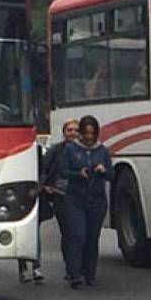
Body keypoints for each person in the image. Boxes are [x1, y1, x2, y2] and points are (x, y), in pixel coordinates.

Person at [21, 118, 81, 284]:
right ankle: (32, 267)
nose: (73, 133)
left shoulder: (83, 151)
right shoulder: (56, 150)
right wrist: (44, 187)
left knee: (69, 233)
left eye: (76, 130)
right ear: (64, 132)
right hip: (51, 194)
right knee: (33, 231)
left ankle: (72, 269)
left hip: (71, 196)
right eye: (70, 130)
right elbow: (44, 170)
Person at [58, 115, 114, 288]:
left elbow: (112, 175)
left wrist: (103, 170)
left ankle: (89, 273)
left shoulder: (102, 151)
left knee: (92, 238)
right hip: (75, 198)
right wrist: (78, 173)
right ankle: (74, 274)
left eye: (92, 134)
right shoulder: (71, 150)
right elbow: (63, 170)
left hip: (97, 200)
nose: (89, 138)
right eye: (86, 133)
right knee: (77, 235)